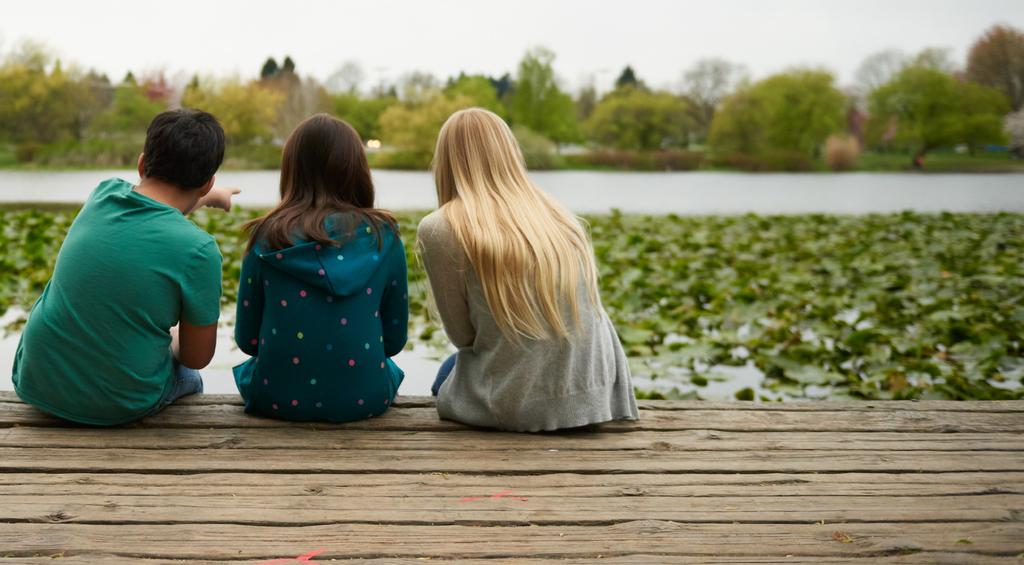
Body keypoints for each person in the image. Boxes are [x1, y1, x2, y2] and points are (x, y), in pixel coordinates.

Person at [418, 107, 639, 432]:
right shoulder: (557, 214)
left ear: (447, 161)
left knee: (444, 375)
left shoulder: (441, 227)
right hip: (596, 395)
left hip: (521, 406)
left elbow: (463, 337)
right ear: (509, 152)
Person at [12, 108, 237, 425]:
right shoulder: (200, 251)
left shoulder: (102, 195)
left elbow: (153, 209)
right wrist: (172, 337)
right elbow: (196, 356)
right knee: (190, 375)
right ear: (206, 183)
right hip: (119, 404)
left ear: (142, 163)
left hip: (37, 384)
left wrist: (210, 197)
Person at [233, 113, 407, 422]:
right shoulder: (384, 237)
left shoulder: (264, 236)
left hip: (276, 398)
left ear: (291, 171)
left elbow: (248, 341)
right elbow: (394, 341)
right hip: (365, 398)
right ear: (356, 170)